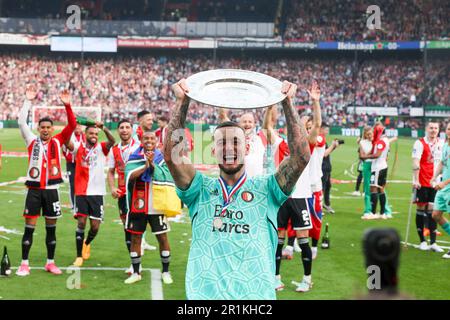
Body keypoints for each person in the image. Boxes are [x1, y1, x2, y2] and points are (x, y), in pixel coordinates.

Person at [164, 78, 310, 300]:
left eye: (235, 141)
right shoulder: (200, 189)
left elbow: (300, 157)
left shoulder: (267, 189)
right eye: (222, 142)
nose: (229, 147)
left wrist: (288, 103)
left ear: (247, 147)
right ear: (213, 150)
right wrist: (183, 102)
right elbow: (172, 156)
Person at [16, 87, 76, 276]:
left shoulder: (58, 141)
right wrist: (28, 100)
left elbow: (72, 125)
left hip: (52, 190)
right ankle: (24, 263)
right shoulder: (31, 140)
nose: (45, 130)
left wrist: (67, 105)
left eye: (48, 127)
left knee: (51, 230)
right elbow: (20, 121)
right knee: (29, 229)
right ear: (38, 128)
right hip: (34, 190)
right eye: (42, 127)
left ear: (52, 129)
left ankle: (50, 262)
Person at [123, 130, 174, 284]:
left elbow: (167, 175)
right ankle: (136, 272)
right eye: (146, 138)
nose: (149, 140)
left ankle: (166, 272)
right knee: (135, 237)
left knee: (162, 237)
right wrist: (146, 166)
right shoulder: (134, 157)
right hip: (138, 204)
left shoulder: (162, 158)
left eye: (152, 138)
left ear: (157, 141)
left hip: (157, 204)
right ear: (141, 140)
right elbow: (129, 176)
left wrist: (152, 165)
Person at [67, 122, 115, 267]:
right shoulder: (78, 147)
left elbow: (112, 141)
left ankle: (86, 243)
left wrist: (103, 128)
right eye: (91, 133)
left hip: (97, 193)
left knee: (95, 227)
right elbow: (65, 141)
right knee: (81, 223)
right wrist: (71, 124)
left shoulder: (101, 147)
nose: (94, 136)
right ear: (85, 134)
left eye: (96, 134)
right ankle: (78, 256)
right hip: (81, 191)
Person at [107, 119, 140, 272]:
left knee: (138, 228)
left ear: (132, 130)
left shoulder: (139, 146)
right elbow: (111, 171)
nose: (124, 130)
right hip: (122, 194)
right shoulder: (114, 150)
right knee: (127, 229)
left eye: (127, 127)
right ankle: (134, 264)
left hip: (139, 193)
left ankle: (165, 269)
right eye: (122, 128)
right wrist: (112, 187)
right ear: (118, 131)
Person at [412, 122, 444, 252]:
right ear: (426, 129)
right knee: (421, 209)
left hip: (436, 183)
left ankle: (433, 242)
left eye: (435, 128)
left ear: (438, 130)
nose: (433, 130)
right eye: (431, 128)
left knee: (433, 211)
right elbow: (415, 160)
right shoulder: (419, 143)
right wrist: (415, 179)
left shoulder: (442, 144)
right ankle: (422, 241)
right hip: (422, 181)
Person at [361, 123, 393, 219]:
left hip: (377, 167)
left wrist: (365, 156)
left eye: (374, 132)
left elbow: (378, 154)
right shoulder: (382, 140)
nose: (371, 134)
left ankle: (377, 212)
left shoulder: (380, 141)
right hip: (375, 165)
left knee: (375, 188)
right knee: (376, 189)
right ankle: (377, 212)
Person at [431, 122, 450, 259]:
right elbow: (442, 163)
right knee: (436, 215)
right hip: (444, 187)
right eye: (449, 128)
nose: (449, 131)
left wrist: (444, 183)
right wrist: (434, 176)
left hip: (447, 186)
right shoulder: (445, 145)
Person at [62, 124, 85, 209]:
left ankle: (82, 203)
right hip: (71, 164)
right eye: (76, 127)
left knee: (82, 183)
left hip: (82, 164)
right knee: (72, 184)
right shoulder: (70, 137)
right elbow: (64, 149)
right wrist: (68, 158)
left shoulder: (85, 136)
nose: (77, 128)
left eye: (79, 126)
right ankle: (73, 205)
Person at [320, 124, 341, 215]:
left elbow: (326, 153)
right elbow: (324, 154)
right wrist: (332, 146)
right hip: (322, 168)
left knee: (327, 186)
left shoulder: (323, 140)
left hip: (327, 168)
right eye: (326, 130)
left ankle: (327, 204)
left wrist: (333, 147)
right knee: (322, 188)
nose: (327, 132)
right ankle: (319, 207)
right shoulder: (319, 139)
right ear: (321, 129)